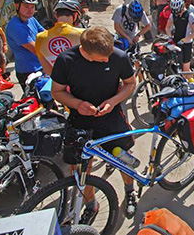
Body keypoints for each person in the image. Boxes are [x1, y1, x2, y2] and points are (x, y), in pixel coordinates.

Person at [51, 27, 138, 218]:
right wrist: (77, 104)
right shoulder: (66, 60)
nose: (107, 61)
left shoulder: (118, 56)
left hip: (111, 117)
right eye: (101, 59)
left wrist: (113, 101)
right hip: (79, 120)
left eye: (108, 56)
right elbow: (56, 92)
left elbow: (130, 83)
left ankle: (130, 191)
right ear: (84, 51)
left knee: (123, 158)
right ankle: (91, 204)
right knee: (81, 168)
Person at [35, 0, 84, 75]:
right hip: (80, 82)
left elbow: (48, 70)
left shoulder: (40, 37)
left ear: (56, 15)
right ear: (75, 15)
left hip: (57, 83)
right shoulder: (83, 34)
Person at [5, 0, 45, 91]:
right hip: (28, 72)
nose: (30, 10)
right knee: (38, 104)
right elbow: (36, 49)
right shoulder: (16, 27)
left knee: (49, 100)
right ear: (17, 6)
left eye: (32, 7)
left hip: (41, 66)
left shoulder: (31, 19)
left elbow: (45, 34)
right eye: (26, 6)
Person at [165, 0, 194, 75]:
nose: (177, 14)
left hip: (186, 44)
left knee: (185, 69)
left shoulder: (190, 15)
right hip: (176, 42)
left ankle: (190, 84)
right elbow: (168, 27)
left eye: (178, 11)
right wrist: (170, 37)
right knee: (175, 67)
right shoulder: (173, 15)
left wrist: (184, 40)